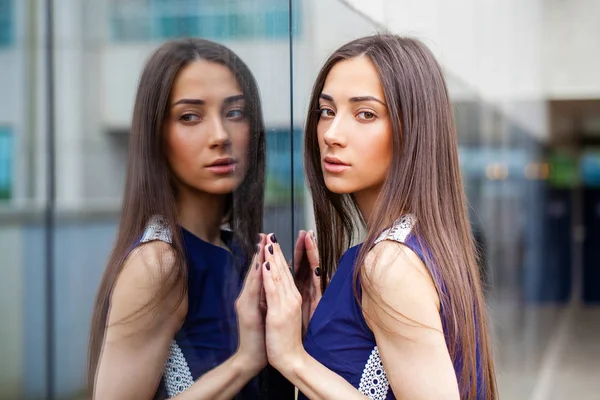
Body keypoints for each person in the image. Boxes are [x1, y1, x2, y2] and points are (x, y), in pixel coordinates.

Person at [260, 34, 498, 399]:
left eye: (365, 114)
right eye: (327, 111)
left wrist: (292, 357)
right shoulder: (414, 246)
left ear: (412, 131)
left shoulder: (389, 264)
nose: (332, 134)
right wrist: (328, 318)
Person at [87, 38, 290, 399]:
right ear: (157, 137)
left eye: (234, 113)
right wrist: (243, 362)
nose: (220, 136)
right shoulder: (159, 263)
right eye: (190, 116)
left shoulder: (239, 253)